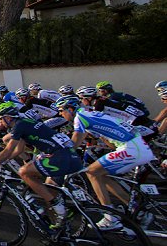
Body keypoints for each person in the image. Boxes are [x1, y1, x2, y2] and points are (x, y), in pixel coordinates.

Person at [0, 102, 82, 231]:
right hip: (69, 155)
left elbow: (8, 150)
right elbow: (19, 150)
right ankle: (60, 230)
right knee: (48, 194)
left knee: (24, 172)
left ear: (8, 118)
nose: (0, 122)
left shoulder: (19, 126)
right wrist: (4, 161)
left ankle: (60, 209)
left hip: (60, 157)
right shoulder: (25, 122)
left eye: (0, 119)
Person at [56, 95, 154, 231]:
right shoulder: (90, 114)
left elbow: (74, 144)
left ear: (71, 109)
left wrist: (55, 154)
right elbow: (108, 140)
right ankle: (137, 210)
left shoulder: (80, 117)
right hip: (137, 146)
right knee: (102, 175)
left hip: (132, 148)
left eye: (61, 110)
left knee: (92, 172)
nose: (60, 114)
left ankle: (110, 218)